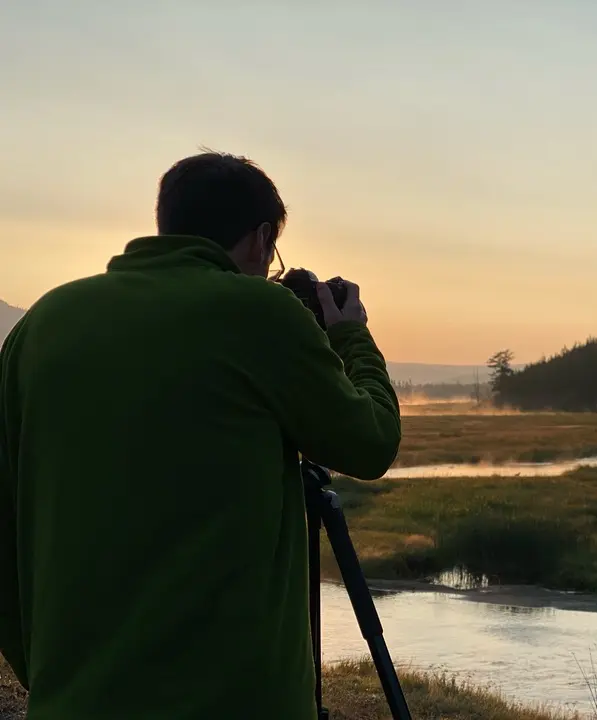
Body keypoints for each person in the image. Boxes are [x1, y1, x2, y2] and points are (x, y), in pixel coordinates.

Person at [0, 152, 402, 719]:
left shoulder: (42, 323)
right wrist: (352, 339)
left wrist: (49, 669)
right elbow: (372, 442)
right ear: (262, 239)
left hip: (75, 697)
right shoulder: (257, 312)